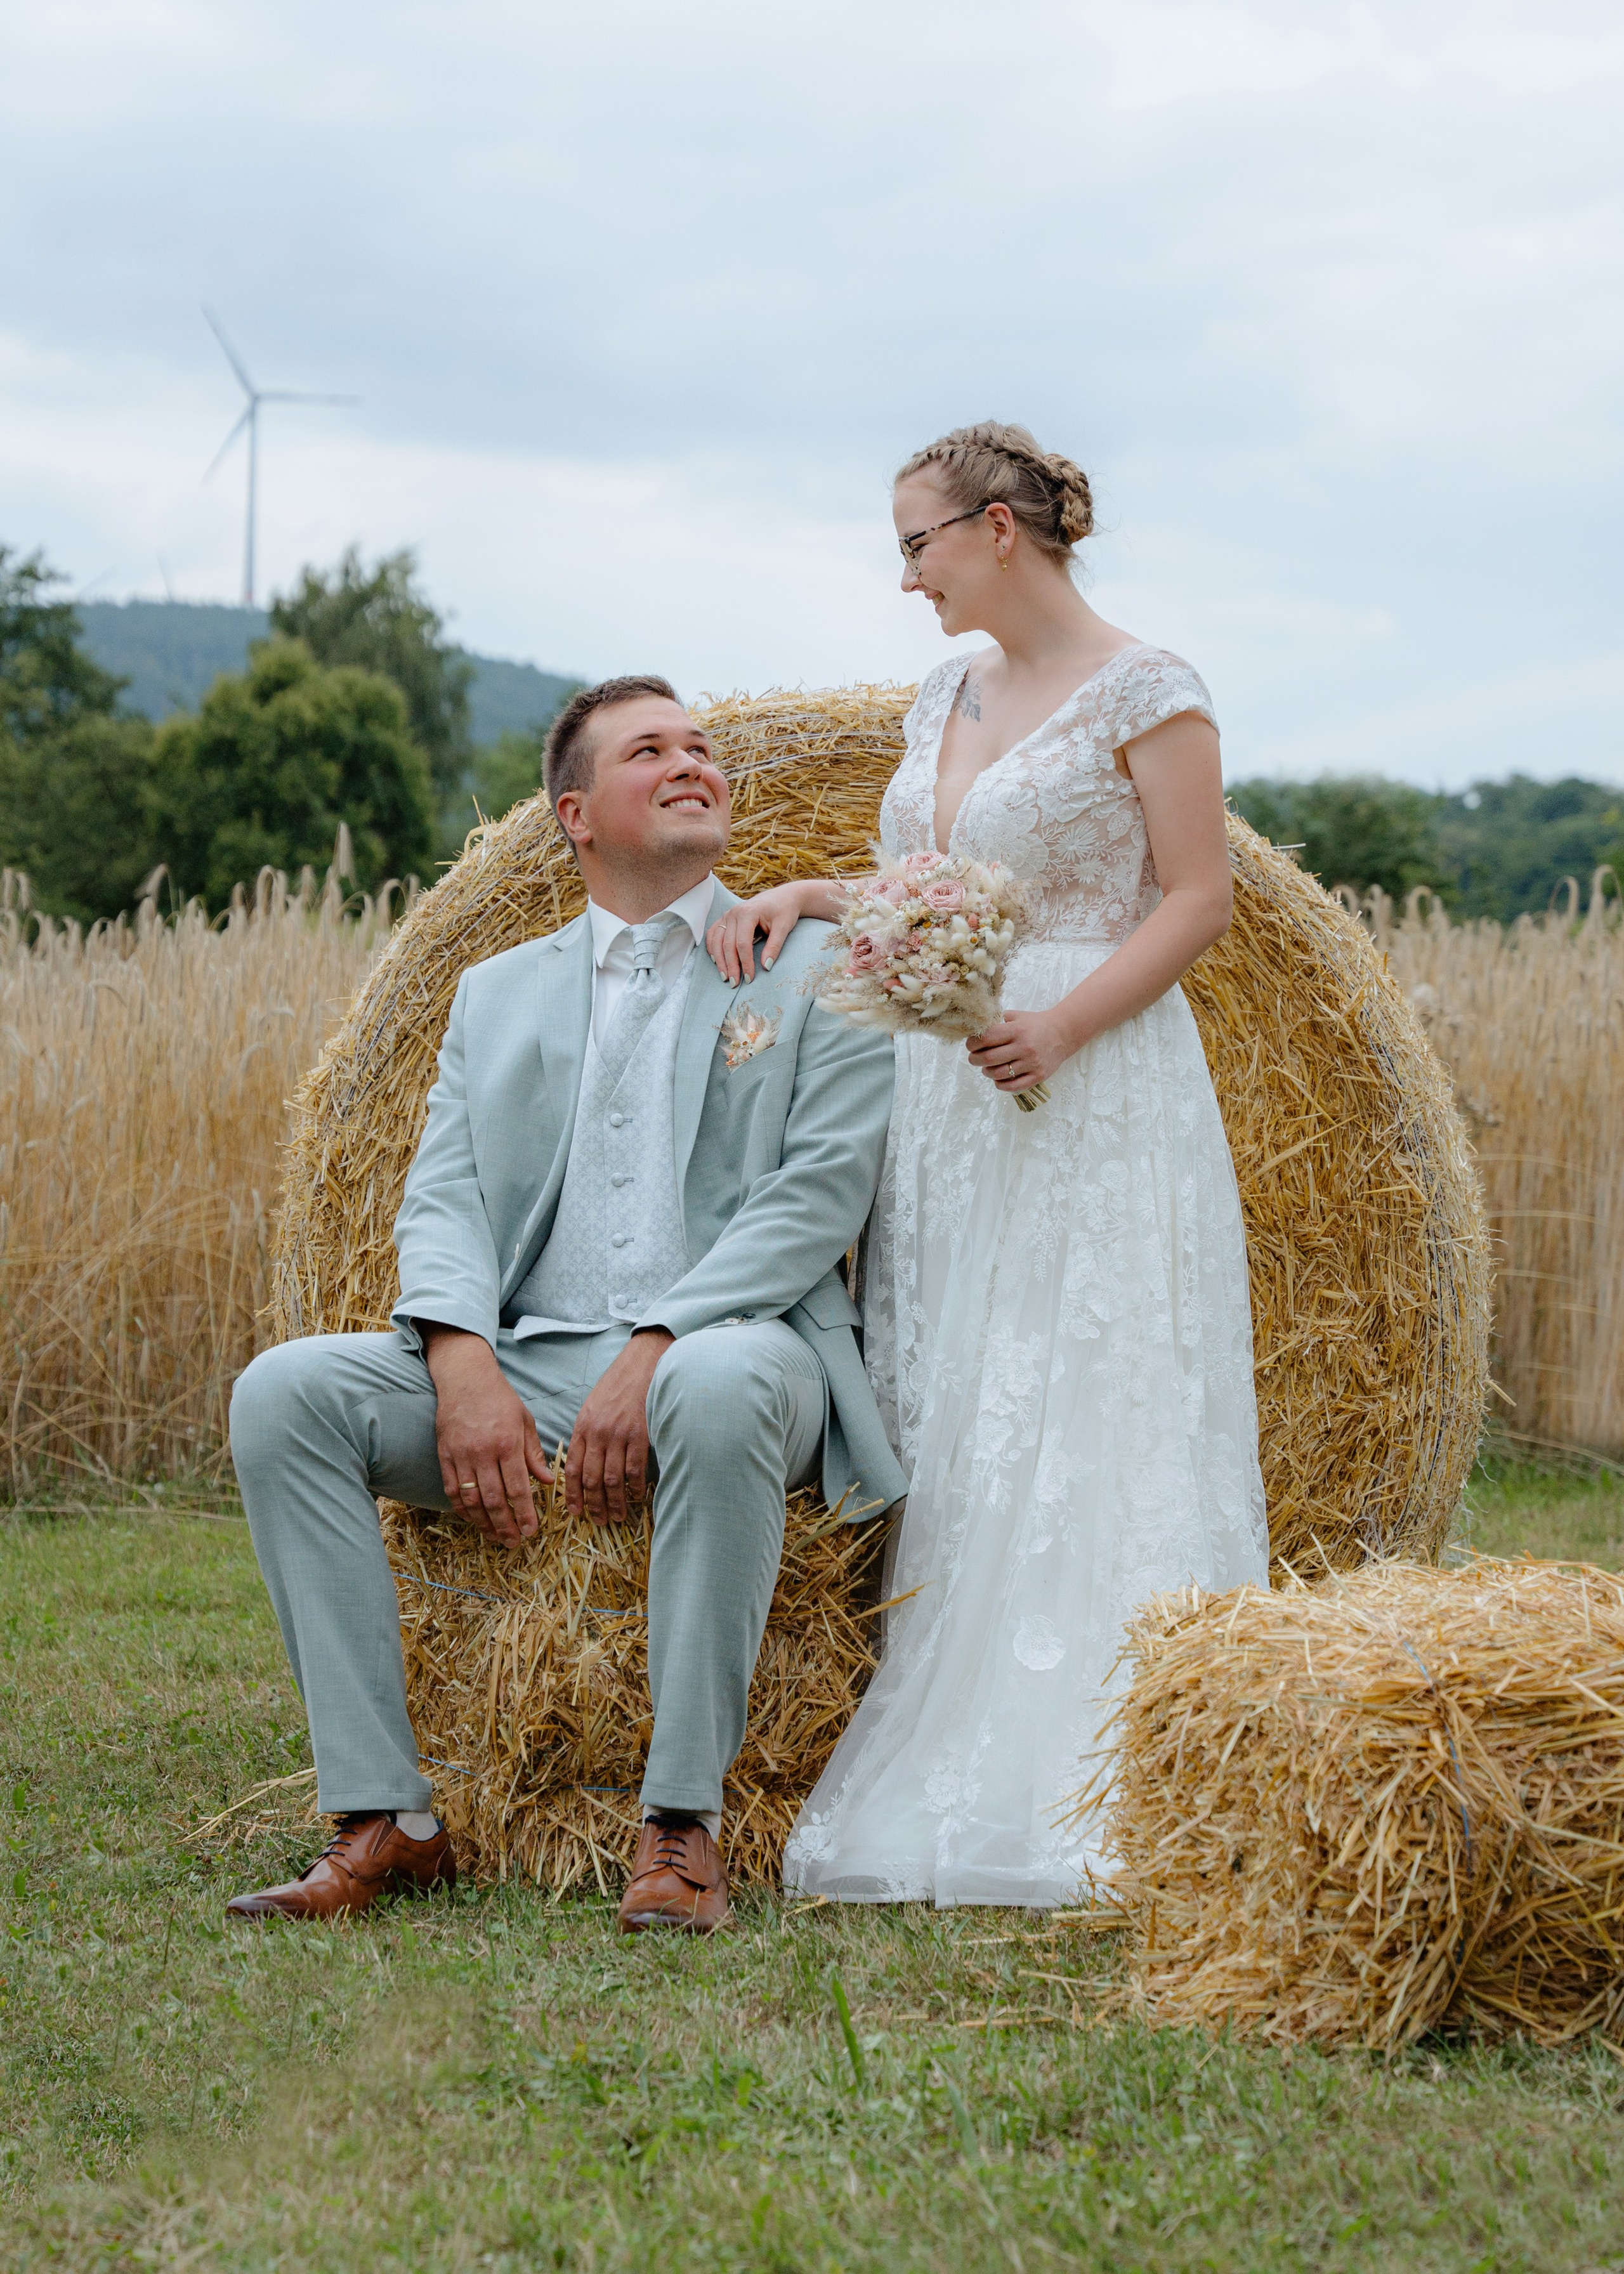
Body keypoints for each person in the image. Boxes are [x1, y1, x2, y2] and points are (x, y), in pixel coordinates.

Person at [226, 675, 905, 1934]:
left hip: (743, 1354)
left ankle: (682, 1827)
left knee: (708, 1381)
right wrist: (457, 1354)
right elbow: (445, 1197)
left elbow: (816, 1197)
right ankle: (386, 1816)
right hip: (531, 1360)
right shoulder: (494, 991)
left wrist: (658, 1338)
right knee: (285, 1392)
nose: (693, 761)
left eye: (701, 746)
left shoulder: (813, 964)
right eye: (652, 750)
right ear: (577, 814)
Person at [707, 422, 1269, 1905]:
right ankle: (946, 1722)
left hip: (1092, 1074)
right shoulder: (944, 688)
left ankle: (1114, 1769)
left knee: (1097, 1390)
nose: (903, 577)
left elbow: (1198, 896)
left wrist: (1061, 1025)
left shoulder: (1154, 688)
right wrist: (827, 895)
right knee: (958, 1392)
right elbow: (938, 872)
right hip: (947, 1091)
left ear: (1001, 527)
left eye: (917, 543)